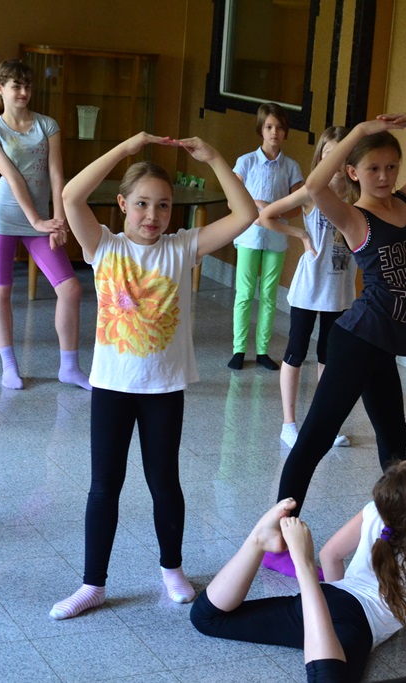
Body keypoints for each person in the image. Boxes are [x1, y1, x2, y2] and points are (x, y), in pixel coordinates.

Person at [49, 131, 257, 618]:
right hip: (112, 388)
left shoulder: (182, 248)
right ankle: (93, 583)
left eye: (163, 206)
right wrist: (125, 150)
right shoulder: (103, 245)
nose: (152, 215)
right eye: (142, 204)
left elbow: (246, 214)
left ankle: (172, 568)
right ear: (122, 205)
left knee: (164, 482)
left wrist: (215, 155)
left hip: (163, 389)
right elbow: (72, 195)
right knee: (104, 487)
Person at [263, 111, 406, 578]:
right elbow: (315, 186)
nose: (384, 176)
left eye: (391, 167)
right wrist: (357, 132)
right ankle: (276, 539)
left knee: (394, 437)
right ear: (353, 172)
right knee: (314, 439)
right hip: (357, 341)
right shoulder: (356, 217)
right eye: (373, 168)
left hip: (382, 344)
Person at [191, 461, 406, 682]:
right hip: (358, 623)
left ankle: (256, 541)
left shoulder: (374, 510)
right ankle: (303, 567)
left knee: (208, 619)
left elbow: (330, 554)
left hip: (329, 596)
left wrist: (333, 601)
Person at [0, 60, 89, 391]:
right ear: (1, 89)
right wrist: (37, 220)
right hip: (3, 218)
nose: (23, 92)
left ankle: (70, 367)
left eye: (27, 86)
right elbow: (12, 177)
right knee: (1, 289)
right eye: (16, 86)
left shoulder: (47, 125)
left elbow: (56, 174)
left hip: (40, 220)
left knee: (70, 288)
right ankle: (9, 367)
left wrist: (59, 220)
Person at [258, 126, 357, 450]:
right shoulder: (311, 192)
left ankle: (323, 425)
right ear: (320, 158)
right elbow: (266, 216)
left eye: (340, 155)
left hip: (339, 291)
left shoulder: (357, 197)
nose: (334, 163)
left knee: (330, 357)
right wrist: (300, 235)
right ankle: (289, 425)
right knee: (296, 353)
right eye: (328, 155)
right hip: (309, 288)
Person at [228, 103, 304, 371]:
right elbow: (233, 200)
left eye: (280, 127)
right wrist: (257, 204)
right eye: (269, 127)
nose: (274, 132)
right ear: (261, 129)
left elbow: (299, 206)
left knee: (269, 295)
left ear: (286, 132)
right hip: (249, 237)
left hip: (276, 239)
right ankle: (239, 349)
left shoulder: (291, 167)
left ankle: (262, 351)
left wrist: (273, 210)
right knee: (244, 293)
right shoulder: (246, 162)